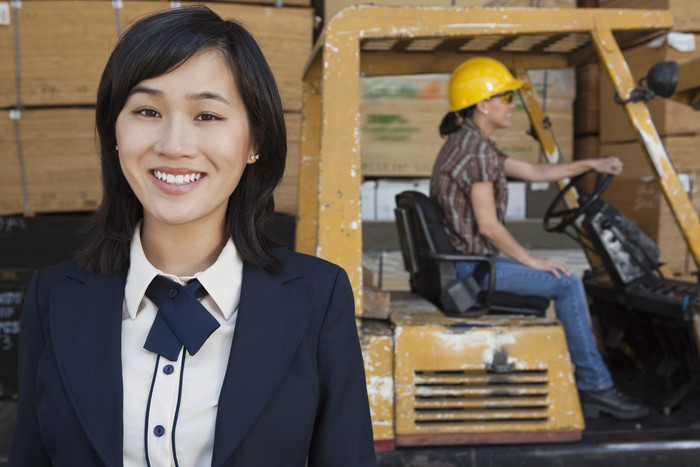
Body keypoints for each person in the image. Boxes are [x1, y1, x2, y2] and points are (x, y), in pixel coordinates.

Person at [9, 6, 376, 466]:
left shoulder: (318, 298)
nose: (174, 144)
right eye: (147, 110)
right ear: (115, 133)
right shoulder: (54, 297)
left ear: (255, 141)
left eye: (207, 115)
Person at [429, 57, 648, 421]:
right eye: (507, 99)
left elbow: (532, 171)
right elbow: (489, 226)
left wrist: (590, 164)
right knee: (567, 283)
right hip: (474, 270)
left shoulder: (467, 143)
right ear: (483, 104)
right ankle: (597, 387)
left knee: (560, 276)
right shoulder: (476, 151)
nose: (512, 106)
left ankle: (591, 379)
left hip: (468, 264)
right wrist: (532, 260)